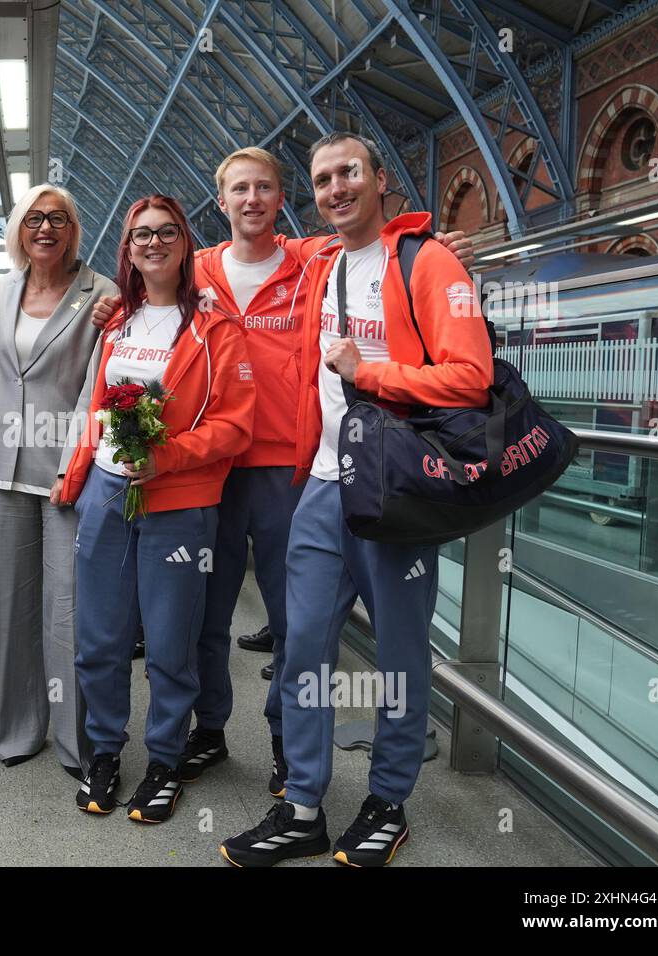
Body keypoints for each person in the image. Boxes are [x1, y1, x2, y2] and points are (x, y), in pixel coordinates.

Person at [92, 150, 475, 790]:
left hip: (285, 467)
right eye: (239, 189)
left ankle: (283, 742)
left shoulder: (310, 260)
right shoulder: (200, 268)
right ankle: (209, 729)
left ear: (279, 198)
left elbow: (377, 239)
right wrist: (112, 310)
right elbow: (148, 300)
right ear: (221, 203)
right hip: (206, 465)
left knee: (292, 622)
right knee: (203, 615)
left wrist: (438, 244)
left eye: (264, 188)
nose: (251, 199)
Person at [220, 132, 493, 867]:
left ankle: (387, 801)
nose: (336, 187)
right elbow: (244, 252)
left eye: (349, 173)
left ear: (379, 179)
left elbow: (471, 377)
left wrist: (373, 374)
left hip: (395, 492)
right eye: (323, 179)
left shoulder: (427, 263)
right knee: (302, 647)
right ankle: (303, 805)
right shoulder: (322, 266)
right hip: (320, 487)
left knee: (399, 656)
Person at [60, 194, 255, 823]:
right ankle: (105, 753)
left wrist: (166, 458)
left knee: (172, 643)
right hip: (107, 495)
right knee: (100, 638)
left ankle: (166, 759)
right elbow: (96, 404)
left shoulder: (215, 329)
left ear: (185, 243)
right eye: (140, 235)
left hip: (180, 504)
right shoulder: (117, 321)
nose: (152, 243)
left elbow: (236, 426)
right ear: (128, 249)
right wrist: (86, 471)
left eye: (166, 232)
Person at [0, 183, 116, 779]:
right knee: (8, 605)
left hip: (66, 471)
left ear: (73, 228)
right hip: (1, 467)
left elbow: (100, 385)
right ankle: (17, 729)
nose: (46, 229)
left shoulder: (102, 294)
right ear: (18, 229)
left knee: (66, 608)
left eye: (58, 218)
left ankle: (74, 739)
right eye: (34, 219)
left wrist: (75, 461)